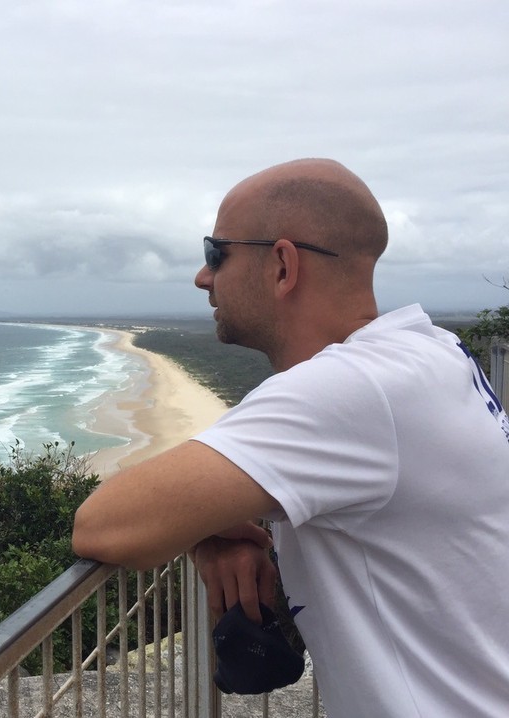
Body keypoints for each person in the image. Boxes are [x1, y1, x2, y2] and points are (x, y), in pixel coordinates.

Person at [72, 158, 509, 716]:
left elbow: (105, 526)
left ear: (282, 265)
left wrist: (203, 525)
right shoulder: (429, 350)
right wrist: (212, 532)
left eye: (216, 253)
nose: (202, 277)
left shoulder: (351, 389)